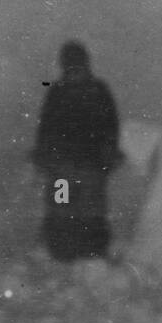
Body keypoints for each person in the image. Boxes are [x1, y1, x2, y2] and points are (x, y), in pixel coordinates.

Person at [31, 41, 124, 261]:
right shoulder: (96, 90)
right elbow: (111, 127)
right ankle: (84, 252)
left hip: (71, 168)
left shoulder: (61, 92)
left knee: (70, 210)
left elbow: (46, 129)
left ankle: (69, 252)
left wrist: (45, 155)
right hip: (82, 167)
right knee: (80, 210)